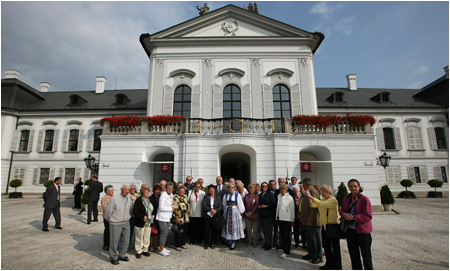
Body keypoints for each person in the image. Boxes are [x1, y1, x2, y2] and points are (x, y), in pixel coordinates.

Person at [306, 185, 342, 270]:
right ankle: (329, 264)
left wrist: (311, 196)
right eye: (322, 192)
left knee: (335, 249)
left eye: (324, 192)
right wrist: (309, 199)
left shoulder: (333, 200)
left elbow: (323, 204)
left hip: (333, 227)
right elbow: (314, 205)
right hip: (325, 227)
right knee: (327, 247)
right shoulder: (322, 199)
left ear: (329, 192)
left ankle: (337, 266)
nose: (323, 193)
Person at [340, 179, 373, 270]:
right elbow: (342, 210)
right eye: (351, 186)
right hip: (350, 230)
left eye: (355, 186)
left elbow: (368, 216)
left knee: (366, 256)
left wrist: (354, 217)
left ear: (359, 187)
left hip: (363, 231)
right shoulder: (347, 198)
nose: (353, 188)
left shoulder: (364, 199)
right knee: (354, 255)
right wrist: (344, 214)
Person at [104, 184, 133, 265]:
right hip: (115, 223)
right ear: (121, 189)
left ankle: (122, 254)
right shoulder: (114, 199)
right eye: (125, 189)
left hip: (126, 222)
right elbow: (108, 211)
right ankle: (113, 257)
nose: (127, 191)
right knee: (114, 241)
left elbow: (130, 210)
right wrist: (111, 220)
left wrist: (129, 217)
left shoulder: (129, 199)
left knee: (126, 240)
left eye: (128, 189)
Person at [300, 178, 322, 264]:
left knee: (316, 239)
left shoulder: (313, 192)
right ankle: (311, 253)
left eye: (303, 185)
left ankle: (318, 256)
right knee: (309, 238)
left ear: (306, 184)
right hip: (306, 220)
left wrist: (310, 219)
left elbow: (314, 207)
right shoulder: (306, 192)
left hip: (313, 221)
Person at [222, 183, 245, 250]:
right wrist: (225, 211)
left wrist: (240, 213)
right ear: (228, 188)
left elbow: (240, 204)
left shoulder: (237, 195)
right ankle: (229, 241)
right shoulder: (226, 195)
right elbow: (224, 204)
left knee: (234, 227)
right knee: (227, 226)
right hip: (227, 212)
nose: (231, 189)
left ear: (234, 188)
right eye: (229, 187)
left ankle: (233, 242)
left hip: (235, 213)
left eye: (232, 187)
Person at [133, 184, 153, 259]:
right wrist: (142, 217)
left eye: (149, 192)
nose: (148, 193)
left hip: (148, 222)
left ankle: (145, 249)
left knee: (146, 236)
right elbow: (135, 211)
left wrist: (153, 215)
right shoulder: (139, 200)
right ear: (143, 193)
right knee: (139, 236)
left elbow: (154, 208)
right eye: (146, 192)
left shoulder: (151, 200)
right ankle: (139, 250)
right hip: (140, 221)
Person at [276, 184, 295, 258]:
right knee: (282, 235)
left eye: (284, 189)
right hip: (280, 218)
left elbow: (292, 209)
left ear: (286, 190)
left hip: (287, 218)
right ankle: (284, 249)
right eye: (281, 189)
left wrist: (292, 219)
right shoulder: (279, 196)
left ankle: (287, 251)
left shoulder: (289, 198)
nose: (282, 191)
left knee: (287, 235)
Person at [156, 182, 174, 256]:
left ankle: (163, 247)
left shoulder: (171, 195)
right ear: (166, 188)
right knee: (163, 233)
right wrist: (171, 209)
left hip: (167, 217)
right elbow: (161, 207)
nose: (170, 189)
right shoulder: (163, 195)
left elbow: (172, 203)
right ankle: (161, 249)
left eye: (171, 188)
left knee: (166, 232)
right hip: (162, 217)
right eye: (169, 188)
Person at [202, 184, 222, 249]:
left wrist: (215, 211)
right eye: (210, 189)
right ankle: (206, 243)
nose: (211, 191)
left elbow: (220, 206)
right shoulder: (206, 197)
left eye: (212, 189)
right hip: (207, 215)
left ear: (214, 190)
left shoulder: (218, 197)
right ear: (208, 191)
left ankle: (213, 243)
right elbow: (204, 206)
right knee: (207, 230)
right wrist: (211, 209)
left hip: (215, 216)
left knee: (214, 230)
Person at [258, 182, 276, 250]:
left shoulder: (270, 194)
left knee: (269, 230)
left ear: (267, 187)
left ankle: (269, 244)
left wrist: (266, 206)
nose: (264, 187)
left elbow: (273, 204)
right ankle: (266, 242)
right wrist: (259, 206)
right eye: (263, 186)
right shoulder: (260, 195)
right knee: (264, 230)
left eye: (265, 186)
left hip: (269, 215)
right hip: (262, 215)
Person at [188, 180, 205, 245]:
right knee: (192, 228)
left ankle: (199, 240)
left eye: (199, 186)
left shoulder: (203, 193)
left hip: (200, 213)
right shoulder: (190, 192)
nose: (197, 188)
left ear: (200, 187)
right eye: (196, 186)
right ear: (194, 186)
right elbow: (188, 201)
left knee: (199, 228)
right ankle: (192, 240)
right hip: (192, 213)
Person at [173, 186, 190, 251]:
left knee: (184, 231)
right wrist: (176, 218)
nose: (183, 192)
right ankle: (177, 245)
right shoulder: (176, 198)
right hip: (180, 218)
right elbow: (175, 209)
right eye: (181, 191)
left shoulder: (185, 197)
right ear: (178, 191)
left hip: (186, 218)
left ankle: (183, 243)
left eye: (184, 191)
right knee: (179, 232)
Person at [243, 183, 259, 248]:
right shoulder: (246, 196)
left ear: (254, 189)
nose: (251, 189)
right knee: (248, 230)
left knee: (255, 230)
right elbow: (243, 205)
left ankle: (255, 242)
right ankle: (250, 241)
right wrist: (246, 212)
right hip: (247, 215)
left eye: (252, 188)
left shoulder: (256, 195)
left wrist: (251, 212)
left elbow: (257, 204)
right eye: (250, 188)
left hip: (254, 215)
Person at [149, 183, 162, 252]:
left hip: (159, 216)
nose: (158, 191)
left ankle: (156, 246)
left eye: (159, 190)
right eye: (156, 190)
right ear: (154, 190)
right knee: (152, 232)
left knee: (157, 232)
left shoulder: (161, 196)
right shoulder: (151, 198)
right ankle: (151, 246)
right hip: (153, 216)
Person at [101, 185, 114, 251]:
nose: (113, 191)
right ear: (107, 191)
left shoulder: (113, 197)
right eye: (111, 190)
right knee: (107, 231)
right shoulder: (104, 198)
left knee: (112, 232)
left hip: (114, 217)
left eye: (113, 190)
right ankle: (106, 245)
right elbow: (105, 208)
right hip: (107, 217)